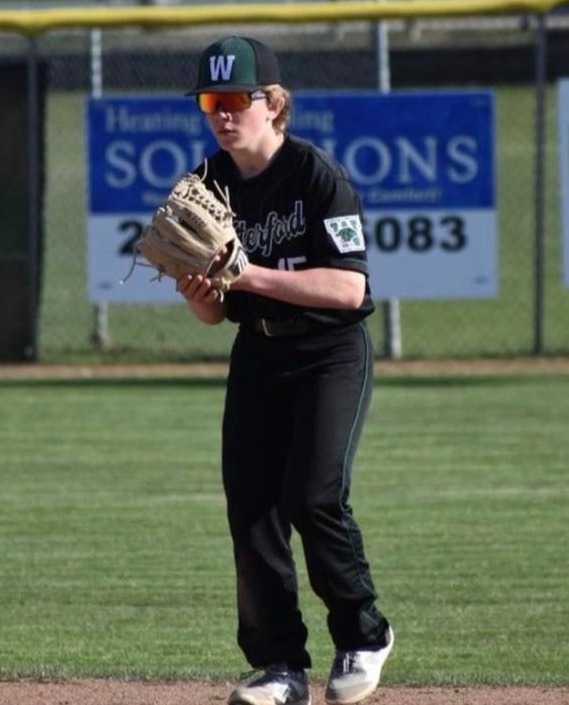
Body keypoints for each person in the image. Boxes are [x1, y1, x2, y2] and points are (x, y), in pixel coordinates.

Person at [177, 35, 394, 705]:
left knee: (312, 495)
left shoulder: (316, 175)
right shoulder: (206, 182)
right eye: (209, 102)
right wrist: (200, 294)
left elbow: (348, 291)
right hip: (259, 350)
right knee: (251, 507)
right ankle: (279, 666)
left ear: (273, 103)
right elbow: (217, 312)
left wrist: (249, 273)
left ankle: (364, 633)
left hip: (330, 352)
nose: (221, 114)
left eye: (233, 100)